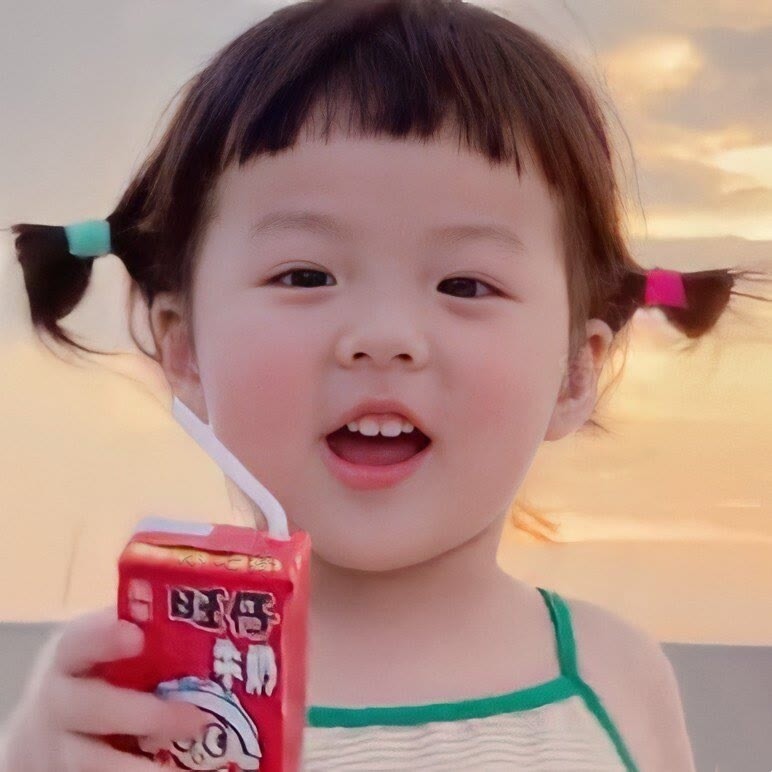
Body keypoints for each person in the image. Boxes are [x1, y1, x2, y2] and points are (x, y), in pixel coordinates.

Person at [2, 1, 769, 769]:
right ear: (185, 349)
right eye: (306, 276)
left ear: (575, 372)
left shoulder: (616, 679)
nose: (384, 336)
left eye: (465, 285)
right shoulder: (135, 694)